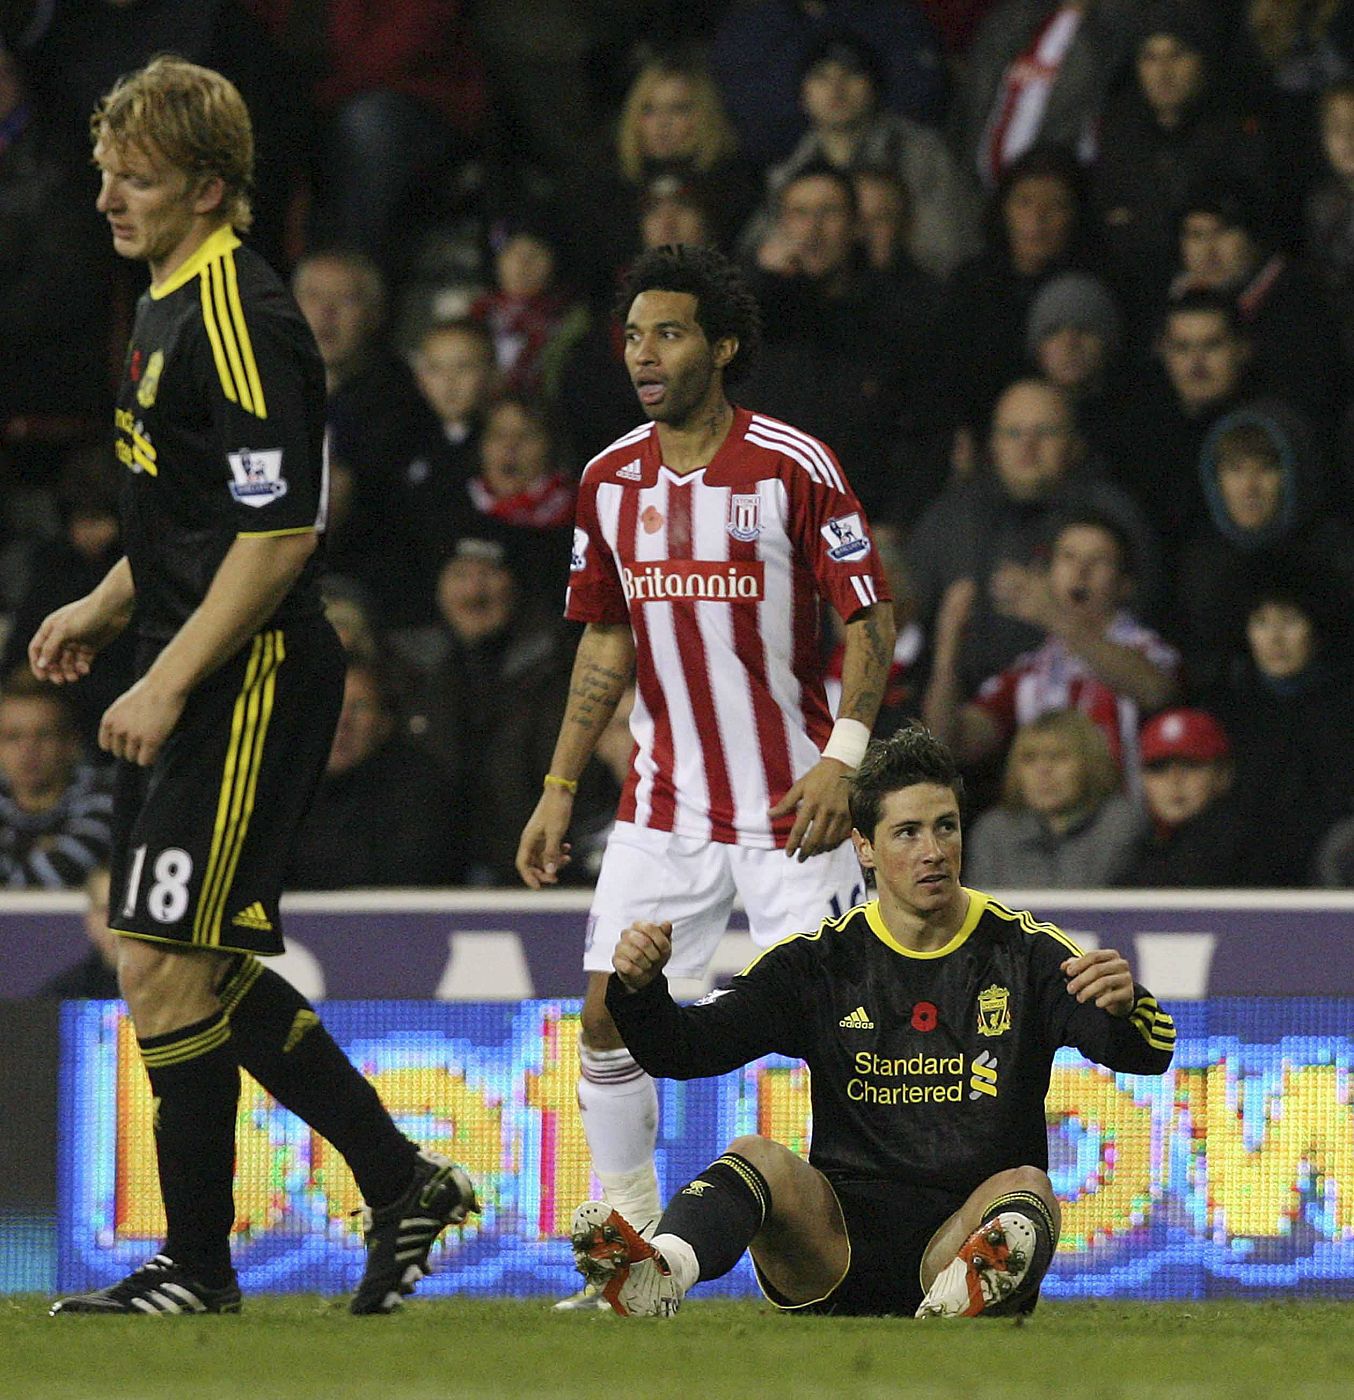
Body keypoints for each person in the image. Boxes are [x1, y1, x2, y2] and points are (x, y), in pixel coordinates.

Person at [32, 58, 475, 1317]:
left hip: (251, 676)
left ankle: (201, 1265)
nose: (111, 196)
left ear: (212, 189)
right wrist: (105, 602)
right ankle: (400, 1182)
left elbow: (279, 534)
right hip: (206, 665)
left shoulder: (238, 313)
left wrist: (166, 677)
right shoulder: (167, 300)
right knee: (188, 966)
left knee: (161, 962)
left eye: (141, 178)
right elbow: (195, 517)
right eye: (108, 170)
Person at [515, 244, 896, 1305]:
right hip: (664, 806)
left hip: (794, 811)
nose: (643, 352)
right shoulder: (607, 480)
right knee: (604, 1010)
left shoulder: (791, 467)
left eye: (668, 331)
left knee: (845, 1033)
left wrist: (841, 763)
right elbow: (602, 641)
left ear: (723, 346)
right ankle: (627, 1250)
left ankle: (872, 1238)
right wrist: (556, 785)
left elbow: (873, 622)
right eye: (633, 333)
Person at [569, 723, 1174, 1318]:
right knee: (755, 1153)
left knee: (1028, 1186)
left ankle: (959, 1298)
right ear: (864, 847)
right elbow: (684, 1052)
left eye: (946, 827)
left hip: (959, 1244)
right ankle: (660, 1272)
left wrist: (1126, 1007)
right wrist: (639, 990)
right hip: (831, 1252)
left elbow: (1146, 1055)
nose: (933, 851)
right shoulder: (819, 964)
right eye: (907, 833)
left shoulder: (1028, 953)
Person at [923, 511, 1178, 785]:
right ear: (1048, 573)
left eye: (1099, 560)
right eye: (1068, 557)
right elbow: (950, 744)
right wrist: (947, 649)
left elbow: (1156, 691)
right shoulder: (1028, 672)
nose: (1081, 571)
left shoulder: (1147, 649)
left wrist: (1056, 617)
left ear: (1125, 585)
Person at [963, 708, 1143, 888]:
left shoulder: (1118, 825)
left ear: (1090, 765)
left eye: (1057, 757)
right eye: (1029, 759)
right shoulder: (993, 832)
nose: (1042, 771)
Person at [0, 671, 113, 889]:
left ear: (71, 744)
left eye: (43, 735)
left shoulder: (105, 797)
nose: (28, 751)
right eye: (13, 737)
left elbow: (53, 879)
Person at [1118, 707, 1248, 887]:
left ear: (1223, 775)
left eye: (1191, 765)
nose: (1174, 780)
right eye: (1158, 767)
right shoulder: (1139, 846)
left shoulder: (1241, 848)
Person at [34, 865, 120, 1000]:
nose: (117, 923)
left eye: (126, 911)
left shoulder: (164, 991)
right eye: (105, 910)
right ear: (90, 920)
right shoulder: (64, 996)